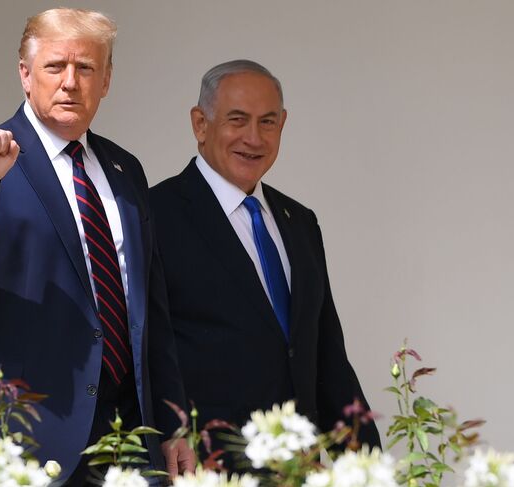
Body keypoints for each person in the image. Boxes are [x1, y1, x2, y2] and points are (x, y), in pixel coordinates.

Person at [0, 8, 193, 486]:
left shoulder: (125, 171)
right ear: (26, 75)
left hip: (123, 436)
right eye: (55, 67)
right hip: (11, 432)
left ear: (106, 80)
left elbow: (152, 311)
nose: (70, 82)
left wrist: (171, 424)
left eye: (86, 68)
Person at [149, 60, 382, 464]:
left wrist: (367, 466)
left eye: (268, 122)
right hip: (209, 468)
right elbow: (147, 351)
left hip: (297, 469)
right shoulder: (154, 216)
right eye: (237, 120)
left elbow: (326, 356)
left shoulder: (300, 222)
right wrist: (169, 435)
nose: (253, 138)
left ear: (283, 125)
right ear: (200, 124)